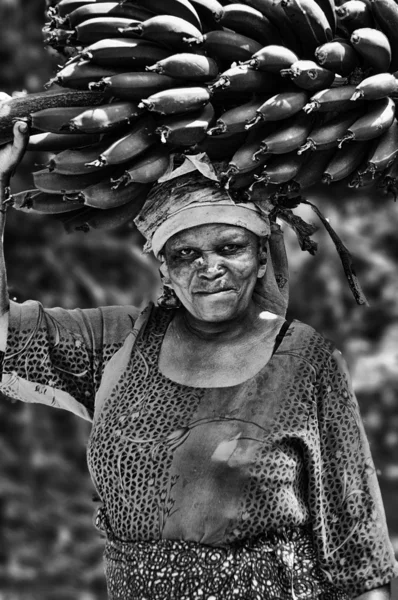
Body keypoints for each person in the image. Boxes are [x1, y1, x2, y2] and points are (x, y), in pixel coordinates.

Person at [0, 120, 397, 600]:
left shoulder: (303, 360)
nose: (210, 268)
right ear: (163, 267)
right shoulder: (120, 343)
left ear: (261, 256)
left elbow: (357, 554)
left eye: (230, 248)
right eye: (186, 253)